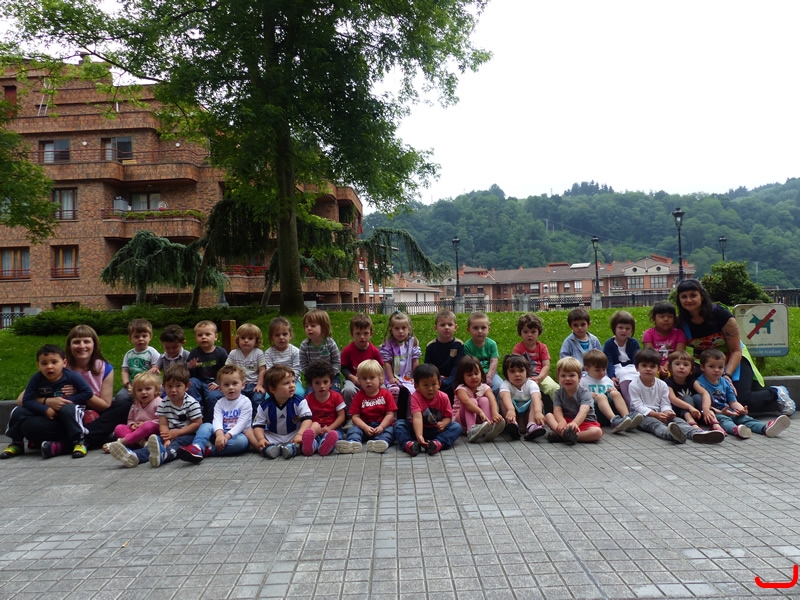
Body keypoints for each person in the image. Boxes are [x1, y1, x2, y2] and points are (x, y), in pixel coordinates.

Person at [676, 278, 794, 414]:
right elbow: (680, 355)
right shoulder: (681, 322)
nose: (688, 300)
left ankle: (776, 393)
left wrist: (727, 375)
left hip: (734, 358)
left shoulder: (720, 314)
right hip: (706, 362)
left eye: (693, 295)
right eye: (684, 297)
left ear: (701, 296)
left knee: (741, 400)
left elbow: (736, 350)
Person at [3, 344, 93, 459]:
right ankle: (16, 443)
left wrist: (66, 401)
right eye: (44, 363)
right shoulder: (36, 379)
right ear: (38, 365)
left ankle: (80, 441)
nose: (49, 367)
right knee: (18, 411)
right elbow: (27, 399)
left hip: (67, 408)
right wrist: (45, 409)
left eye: (54, 362)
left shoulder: (72, 376)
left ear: (64, 363)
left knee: (70, 409)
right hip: (46, 411)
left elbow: (87, 393)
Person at [107, 365, 202, 468]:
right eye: (169, 386)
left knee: (176, 444)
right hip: (169, 433)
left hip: (187, 434)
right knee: (154, 445)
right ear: (164, 386)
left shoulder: (191, 403)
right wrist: (166, 438)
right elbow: (163, 424)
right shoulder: (164, 403)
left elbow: (197, 423)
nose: (173, 390)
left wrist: (177, 433)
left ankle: (165, 455)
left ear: (187, 386)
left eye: (178, 386)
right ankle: (135, 457)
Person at [627, 348, 723, 444]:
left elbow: (665, 403)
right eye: (644, 366)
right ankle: (671, 435)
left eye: (652, 366)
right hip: (641, 415)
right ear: (637, 368)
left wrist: (668, 412)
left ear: (658, 369)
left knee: (678, 420)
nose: (648, 369)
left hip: (660, 413)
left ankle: (696, 433)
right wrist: (655, 414)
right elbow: (638, 406)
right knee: (655, 424)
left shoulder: (662, 385)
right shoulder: (634, 385)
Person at [696, 349, 790, 439]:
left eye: (720, 367)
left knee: (744, 418)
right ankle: (736, 430)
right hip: (713, 413)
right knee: (724, 420)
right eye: (711, 366)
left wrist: (741, 410)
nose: (716, 370)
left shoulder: (725, 382)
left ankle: (765, 428)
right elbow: (702, 403)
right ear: (702, 367)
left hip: (728, 409)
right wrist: (720, 412)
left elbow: (733, 402)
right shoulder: (699, 382)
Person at [177, 365, 252, 463]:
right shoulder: (219, 403)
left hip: (236, 435)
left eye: (234, 383)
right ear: (220, 388)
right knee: (206, 425)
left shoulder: (245, 402)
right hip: (219, 433)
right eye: (226, 385)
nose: (231, 387)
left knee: (242, 442)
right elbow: (217, 420)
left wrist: (227, 436)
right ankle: (197, 446)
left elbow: (241, 424)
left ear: (243, 385)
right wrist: (220, 434)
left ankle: (208, 450)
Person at [395, 364, 462, 456]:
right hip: (417, 428)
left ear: (439, 384)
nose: (430, 389)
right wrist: (419, 435)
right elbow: (417, 417)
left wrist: (443, 423)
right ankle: (410, 444)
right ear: (416, 386)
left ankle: (437, 443)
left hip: (436, 430)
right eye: (425, 385)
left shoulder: (444, 397)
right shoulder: (415, 396)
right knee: (399, 424)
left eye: (434, 384)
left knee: (456, 427)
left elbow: (448, 417)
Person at [251, 365, 313, 460]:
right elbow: (258, 425)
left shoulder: (300, 402)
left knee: (315, 426)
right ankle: (267, 448)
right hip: (273, 436)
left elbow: (307, 420)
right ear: (273, 389)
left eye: (293, 381)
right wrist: (261, 439)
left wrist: (300, 434)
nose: (292, 385)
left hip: (294, 434)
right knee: (250, 431)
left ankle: (294, 448)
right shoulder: (264, 406)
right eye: (286, 383)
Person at [336, 360, 396, 454]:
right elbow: (355, 417)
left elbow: (390, 414)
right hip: (364, 426)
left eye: (372, 378)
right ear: (359, 380)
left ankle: (380, 442)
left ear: (380, 379)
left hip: (382, 426)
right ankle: (353, 443)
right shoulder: (358, 396)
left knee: (391, 430)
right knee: (353, 429)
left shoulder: (386, 394)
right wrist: (365, 427)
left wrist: (381, 427)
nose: (368, 381)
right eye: (364, 378)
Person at [545, 357, 604, 445]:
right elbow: (557, 410)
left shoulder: (585, 393)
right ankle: (565, 434)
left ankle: (568, 436)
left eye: (572, 375)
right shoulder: (558, 393)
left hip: (585, 422)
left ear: (579, 377)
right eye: (563, 376)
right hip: (566, 422)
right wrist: (562, 421)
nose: (567, 378)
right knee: (548, 416)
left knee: (597, 432)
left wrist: (575, 423)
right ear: (558, 378)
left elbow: (584, 411)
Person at [581, 350, 641, 433]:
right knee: (601, 396)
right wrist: (588, 394)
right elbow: (578, 396)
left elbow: (615, 396)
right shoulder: (583, 381)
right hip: (595, 412)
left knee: (615, 393)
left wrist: (613, 390)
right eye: (598, 370)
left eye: (604, 369)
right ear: (587, 369)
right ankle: (614, 420)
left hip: (611, 409)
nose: (602, 373)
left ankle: (627, 417)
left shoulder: (608, 380)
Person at [453, 356, 504, 443]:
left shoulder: (484, 387)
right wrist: (480, 412)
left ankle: (489, 426)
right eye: (469, 375)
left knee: (485, 400)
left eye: (476, 373)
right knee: (472, 401)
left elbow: (492, 399)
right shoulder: (461, 389)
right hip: (461, 422)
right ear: (462, 376)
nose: (474, 377)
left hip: (479, 420)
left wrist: (495, 413)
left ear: (481, 373)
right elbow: (466, 402)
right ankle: (471, 430)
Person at [107, 372, 160, 456]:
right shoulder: (135, 405)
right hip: (136, 431)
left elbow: (162, 421)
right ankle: (142, 443)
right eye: (139, 390)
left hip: (152, 431)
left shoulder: (158, 403)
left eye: (148, 389)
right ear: (134, 393)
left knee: (148, 426)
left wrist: (144, 424)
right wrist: (132, 425)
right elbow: (130, 419)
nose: (143, 392)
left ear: (156, 390)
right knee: (119, 428)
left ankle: (123, 442)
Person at [380, 311, 421, 415]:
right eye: (397, 328)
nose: (400, 331)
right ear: (391, 330)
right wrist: (391, 378)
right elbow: (387, 363)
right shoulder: (388, 344)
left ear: (409, 329)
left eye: (404, 328)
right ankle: (393, 415)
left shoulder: (412, 343)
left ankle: (411, 414)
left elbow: (415, 361)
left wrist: (415, 377)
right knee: (394, 390)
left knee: (413, 391)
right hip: (393, 376)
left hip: (408, 376)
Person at [664, 350, 717, 431]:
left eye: (686, 365)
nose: (681, 367)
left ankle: (713, 422)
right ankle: (692, 423)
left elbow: (705, 393)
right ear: (670, 368)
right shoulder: (668, 382)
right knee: (686, 398)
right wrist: (690, 407)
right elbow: (673, 399)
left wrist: (706, 409)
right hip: (680, 412)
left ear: (691, 369)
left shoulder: (691, 380)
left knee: (697, 397)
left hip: (696, 412)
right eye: (677, 364)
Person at [498, 354, 547, 441]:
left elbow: (536, 396)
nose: (517, 374)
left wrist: (538, 412)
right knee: (503, 401)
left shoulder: (531, 383)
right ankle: (512, 425)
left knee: (537, 402)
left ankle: (531, 425)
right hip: (513, 414)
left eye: (521, 371)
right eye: (512, 371)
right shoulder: (505, 384)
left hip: (528, 414)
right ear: (506, 373)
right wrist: (511, 409)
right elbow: (504, 396)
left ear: (526, 371)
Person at [187, 319, 228, 422]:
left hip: (214, 382)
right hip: (199, 380)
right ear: (195, 338)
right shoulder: (194, 352)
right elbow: (189, 374)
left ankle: (212, 420)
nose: (203, 337)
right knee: (191, 383)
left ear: (215, 337)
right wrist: (191, 367)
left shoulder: (220, 352)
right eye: (200, 335)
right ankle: (196, 413)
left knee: (213, 396)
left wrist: (218, 382)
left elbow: (226, 370)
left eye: (207, 334)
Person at [302, 360, 345, 456]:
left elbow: (341, 416)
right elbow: (306, 417)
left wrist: (330, 428)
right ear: (310, 385)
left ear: (331, 382)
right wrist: (314, 428)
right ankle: (310, 447)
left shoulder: (336, 397)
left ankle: (325, 446)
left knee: (335, 436)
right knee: (311, 436)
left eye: (325, 382)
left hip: (333, 428)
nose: (322, 386)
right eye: (317, 383)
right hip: (315, 429)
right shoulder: (308, 399)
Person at [512, 313, 558, 402]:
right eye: (525, 332)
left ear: (538, 333)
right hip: (523, 377)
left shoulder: (542, 347)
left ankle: (559, 407)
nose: (529, 335)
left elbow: (546, 365)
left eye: (533, 332)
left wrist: (540, 378)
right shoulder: (518, 348)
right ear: (520, 333)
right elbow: (515, 366)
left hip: (541, 376)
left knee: (555, 388)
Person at [340, 314, 383, 410]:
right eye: (358, 333)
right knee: (348, 390)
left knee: (384, 389)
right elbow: (344, 368)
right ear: (352, 334)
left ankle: (379, 412)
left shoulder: (375, 351)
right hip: (354, 380)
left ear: (371, 334)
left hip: (371, 379)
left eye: (366, 333)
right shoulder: (347, 351)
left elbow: (380, 367)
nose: (362, 337)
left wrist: (378, 380)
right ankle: (351, 415)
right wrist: (353, 378)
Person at [115, 318, 160, 404]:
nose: (140, 339)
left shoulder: (152, 352)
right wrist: (127, 384)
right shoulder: (129, 354)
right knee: (121, 397)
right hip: (133, 384)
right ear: (130, 338)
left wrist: (155, 369)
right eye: (136, 337)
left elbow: (156, 367)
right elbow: (125, 371)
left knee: (161, 393)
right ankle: (129, 410)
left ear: (150, 336)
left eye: (144, 336)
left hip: (149, 384)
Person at [424, 309, 464, 401]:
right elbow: (428, 367)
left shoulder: (459, 345)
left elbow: (457, 366)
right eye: (442, 325)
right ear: (436, 328)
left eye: (450, 324)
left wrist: (449, 380)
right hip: (435, 379)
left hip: (453, 379)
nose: (446, 327)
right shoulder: (431, 346)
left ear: (455, 327)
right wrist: (438, 379)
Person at [225, 323, 267, 412]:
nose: (246, 340)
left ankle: (257, 418)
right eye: (243, 338)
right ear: (238, 339)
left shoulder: (258, 353)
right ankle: (238, 417)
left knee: (257, 399)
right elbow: (227, 369)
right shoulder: (233, 353)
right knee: (237, 401)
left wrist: (259, 385)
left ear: (256, 341)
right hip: (238, 384)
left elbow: (262, 370)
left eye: (250, 338)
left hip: (254, 384)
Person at [299, 309, 341, 391]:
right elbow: (303, 364)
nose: (309, 328)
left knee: (335, 393)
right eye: (306, 326)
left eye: (313, 326)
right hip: (313, 378)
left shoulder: (330, 343)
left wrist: (330, 375)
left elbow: (336, 362)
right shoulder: (304, 345)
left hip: (331, 376)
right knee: (310, 394)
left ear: (324, 328)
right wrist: (312, 376)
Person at [463, 311, 502, 397]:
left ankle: (497, 405)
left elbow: (494, 361)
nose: (480, 331)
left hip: (490, 373)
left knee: (499, 386)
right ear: (469, 330)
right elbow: (468, 364)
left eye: (483, 328)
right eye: (475, 328)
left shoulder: (492, 344)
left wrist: (489, 376)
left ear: (488, 329)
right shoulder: (467, 346)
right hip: (474, 374)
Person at [642, 302, 686, 377]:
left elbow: (679, 353)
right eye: (661, 316)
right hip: (654, 365)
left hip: (674, 364)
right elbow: (649, 354)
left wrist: (667, 365)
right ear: (654, 318)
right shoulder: (648, 334)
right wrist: (659, 367)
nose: (666, 319)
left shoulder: (679, 333)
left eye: (670, 316)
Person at [263, 317, 304, 398]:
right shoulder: (269, 353)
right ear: (272, 337)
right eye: (277, 335)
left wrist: (287, 382)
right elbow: (269, 371)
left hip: (293, 381)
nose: (281, 337)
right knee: (268, 396)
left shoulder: (295, 351)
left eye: (284, 334)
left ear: (290, 335)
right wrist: (279, 382)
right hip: (276, 383)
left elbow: (297, 369)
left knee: (299, 393)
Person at [602, 310, 639, 384]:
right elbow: (609, 362)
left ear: (632, 330)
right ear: (614, 328)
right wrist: (612, 376)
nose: (624, 331)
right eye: (620, 328)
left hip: (632, 368)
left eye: (627, 328)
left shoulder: (633, 343)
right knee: (623, 374)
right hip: (617, 369)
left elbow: (637, 359)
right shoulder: (609, 344)